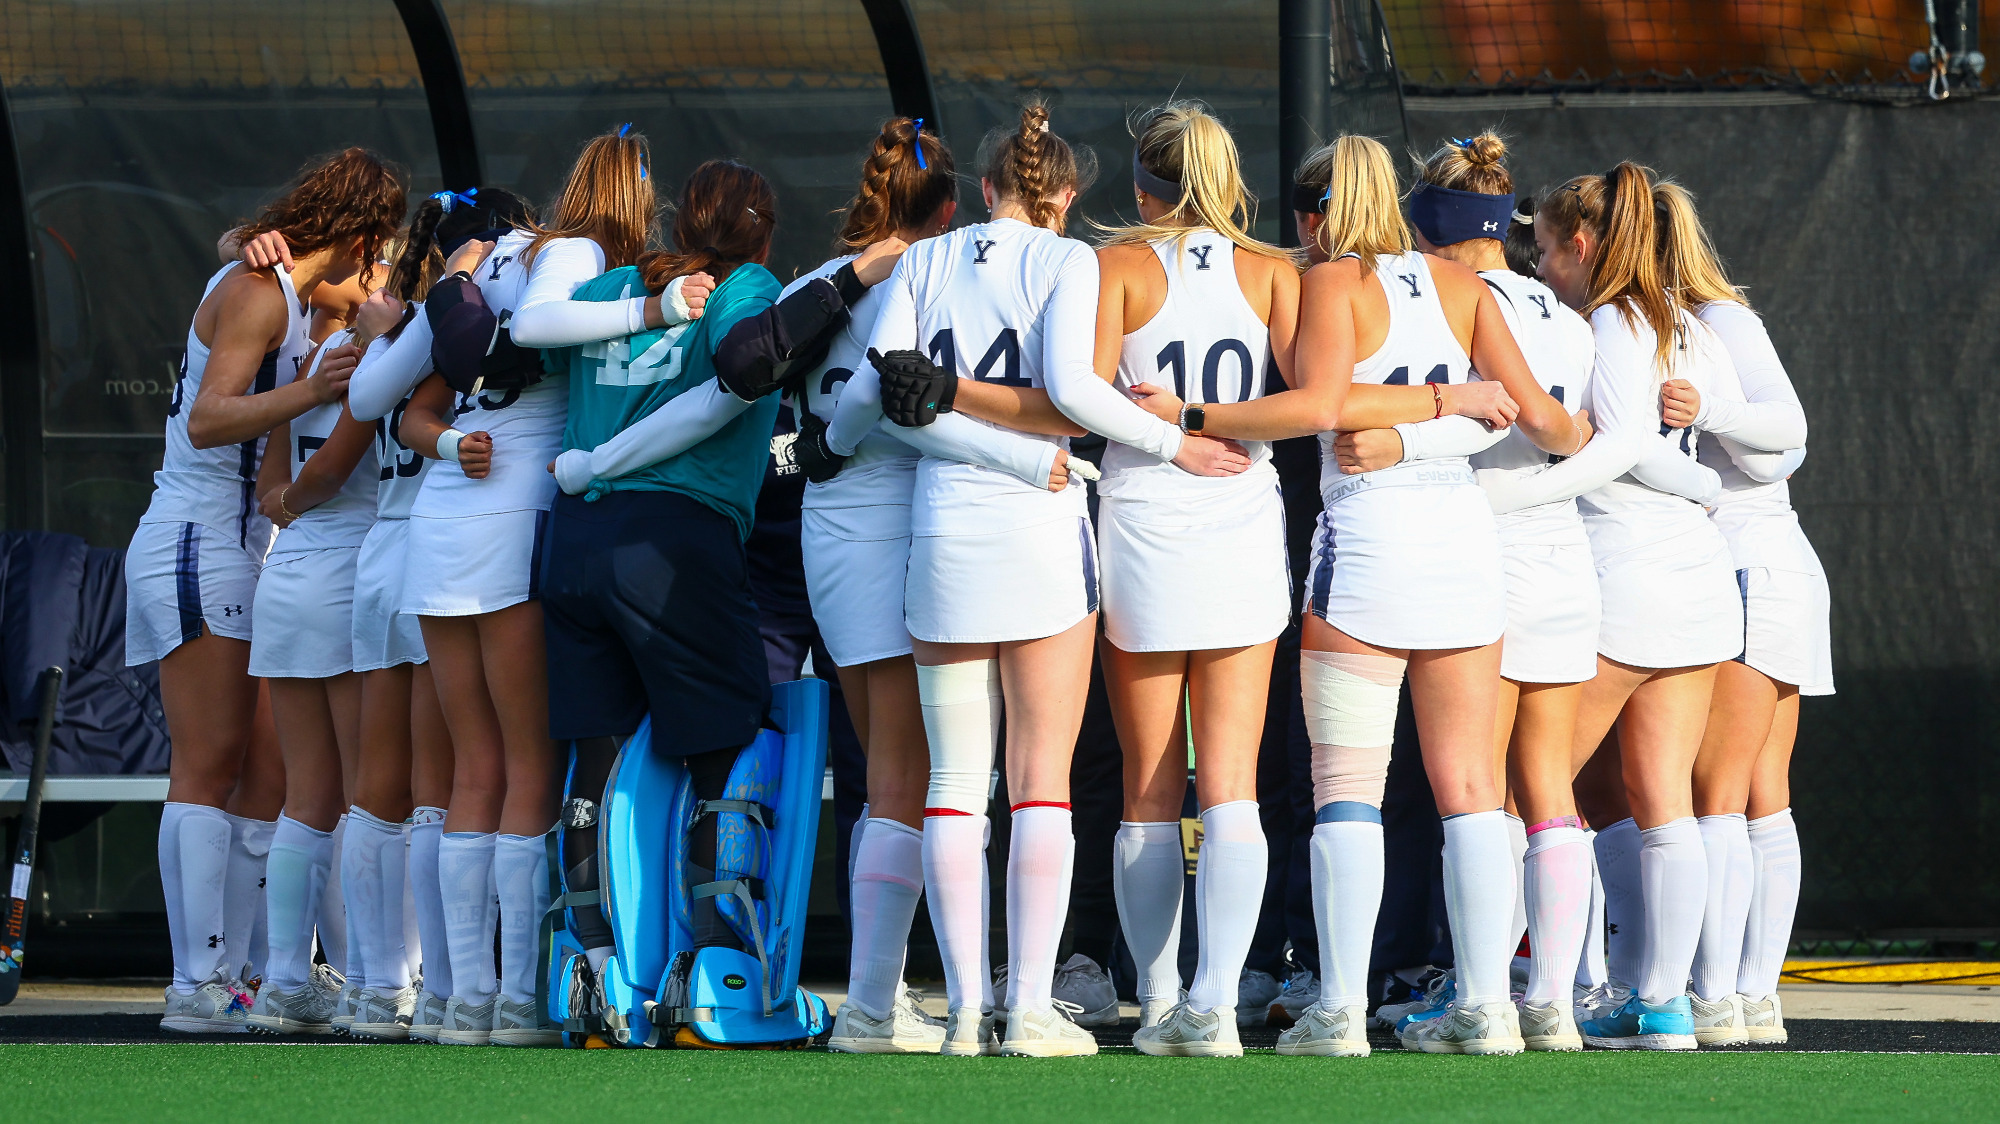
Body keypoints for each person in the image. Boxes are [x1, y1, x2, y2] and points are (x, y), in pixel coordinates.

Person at [1131, 133, 1581, 1058]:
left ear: (1330, 213)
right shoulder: (1466, 290)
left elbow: (1322, 406)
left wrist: (1186, 415)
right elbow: (1547, 423)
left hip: (1370, 544)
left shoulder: (1332, 285)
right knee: (1470, 792)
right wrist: (1459, 403)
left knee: (1347, 791)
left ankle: (1339, 1006)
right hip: (1462, 542)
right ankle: (1488, 1008)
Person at [847, 101, 1262, 1059]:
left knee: (954, 786)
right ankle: (1027, 1009)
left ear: (984, 190)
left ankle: (959, 1014)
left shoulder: (925, 259)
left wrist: (828, 446)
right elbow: (1074, 394)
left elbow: (888, 385)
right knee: (1042, 786)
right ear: (1064, 198)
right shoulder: (1070, 259)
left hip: (943, 522)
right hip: (1039, 528)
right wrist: (1174, 441)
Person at [543, 156, 902, 1046]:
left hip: (573, 541)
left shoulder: (620, 284)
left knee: (597, 756)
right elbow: (748, 361)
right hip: (676, 541)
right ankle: (724, 973)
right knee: (732, 739)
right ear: (766, 235)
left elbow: (525, 332)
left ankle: (592, 976)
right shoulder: (743, 288)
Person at [132, 149, 404, 1033]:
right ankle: (193, 984)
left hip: (244, 544)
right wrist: (309, 394)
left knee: (269, 771)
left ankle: (246, 976)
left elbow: (250, 255)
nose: (378, 286)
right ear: (361, 240)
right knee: (207, 765)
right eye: (381, 260)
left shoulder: (273, 281)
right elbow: (209, 420)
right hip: (195, 536)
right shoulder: (262, 291)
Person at [1088, 101, 1296, 1056]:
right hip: (1239, 518)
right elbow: (1307, 405)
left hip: (1147, 519)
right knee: (1234, 783)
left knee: (1148, 784)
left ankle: (1168, 1000)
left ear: (1144, 186)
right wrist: (1210, 424)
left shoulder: (1116, 265)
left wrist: (1173, 434)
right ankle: (1209, 1003)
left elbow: (1081, 395)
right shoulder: (1271, 271)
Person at [1532, 162, 1752, 1050]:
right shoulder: (1691, 325)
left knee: (1528, 793)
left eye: (1546, 250)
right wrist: (1705, 482)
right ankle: (1660, 1001)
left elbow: (1626, 447)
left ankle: (1527, 991)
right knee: (1661, 798)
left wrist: (1696, 478)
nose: (1540, 266)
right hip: (1693, 577)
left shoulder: (1612, 322)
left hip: (1627, 574)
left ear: (1583, 245)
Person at [780, 117, 974, 1053]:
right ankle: (870, 1004)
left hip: (832, 525)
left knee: (883, 770)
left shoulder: (819, 279)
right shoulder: (928, 273)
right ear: (945, 209)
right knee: (911, 775)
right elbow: (882, 394)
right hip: (898, 508)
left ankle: (877, 993)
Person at [334, 186, 537, 1040]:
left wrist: (387, 330)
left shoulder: (423, 315)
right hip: (446, 545)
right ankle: (449, 987)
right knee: (449, 779)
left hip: (399, 550)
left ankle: (395, 992)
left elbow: (371, 397)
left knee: (400, 785)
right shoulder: (482, 302)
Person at [1655, 182, 1823, 1046]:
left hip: (1757, 568)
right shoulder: (1662, 324)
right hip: (1756, 567)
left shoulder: (1717, 322)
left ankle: (1727, 994)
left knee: (1729, 794)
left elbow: (1784, 446)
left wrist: (1706, 412)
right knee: (1751, 794)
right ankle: (1747, 997)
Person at [242, 270, 381, 1034]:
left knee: (308, 796)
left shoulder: (311, 358)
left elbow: (272, 487)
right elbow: (314, 478)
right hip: (343, 579)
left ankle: (287, 981)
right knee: (365, 791)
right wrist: (302, 503)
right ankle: (371, 981)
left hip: (288, 577)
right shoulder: (376, 355)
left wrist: (292, 509)